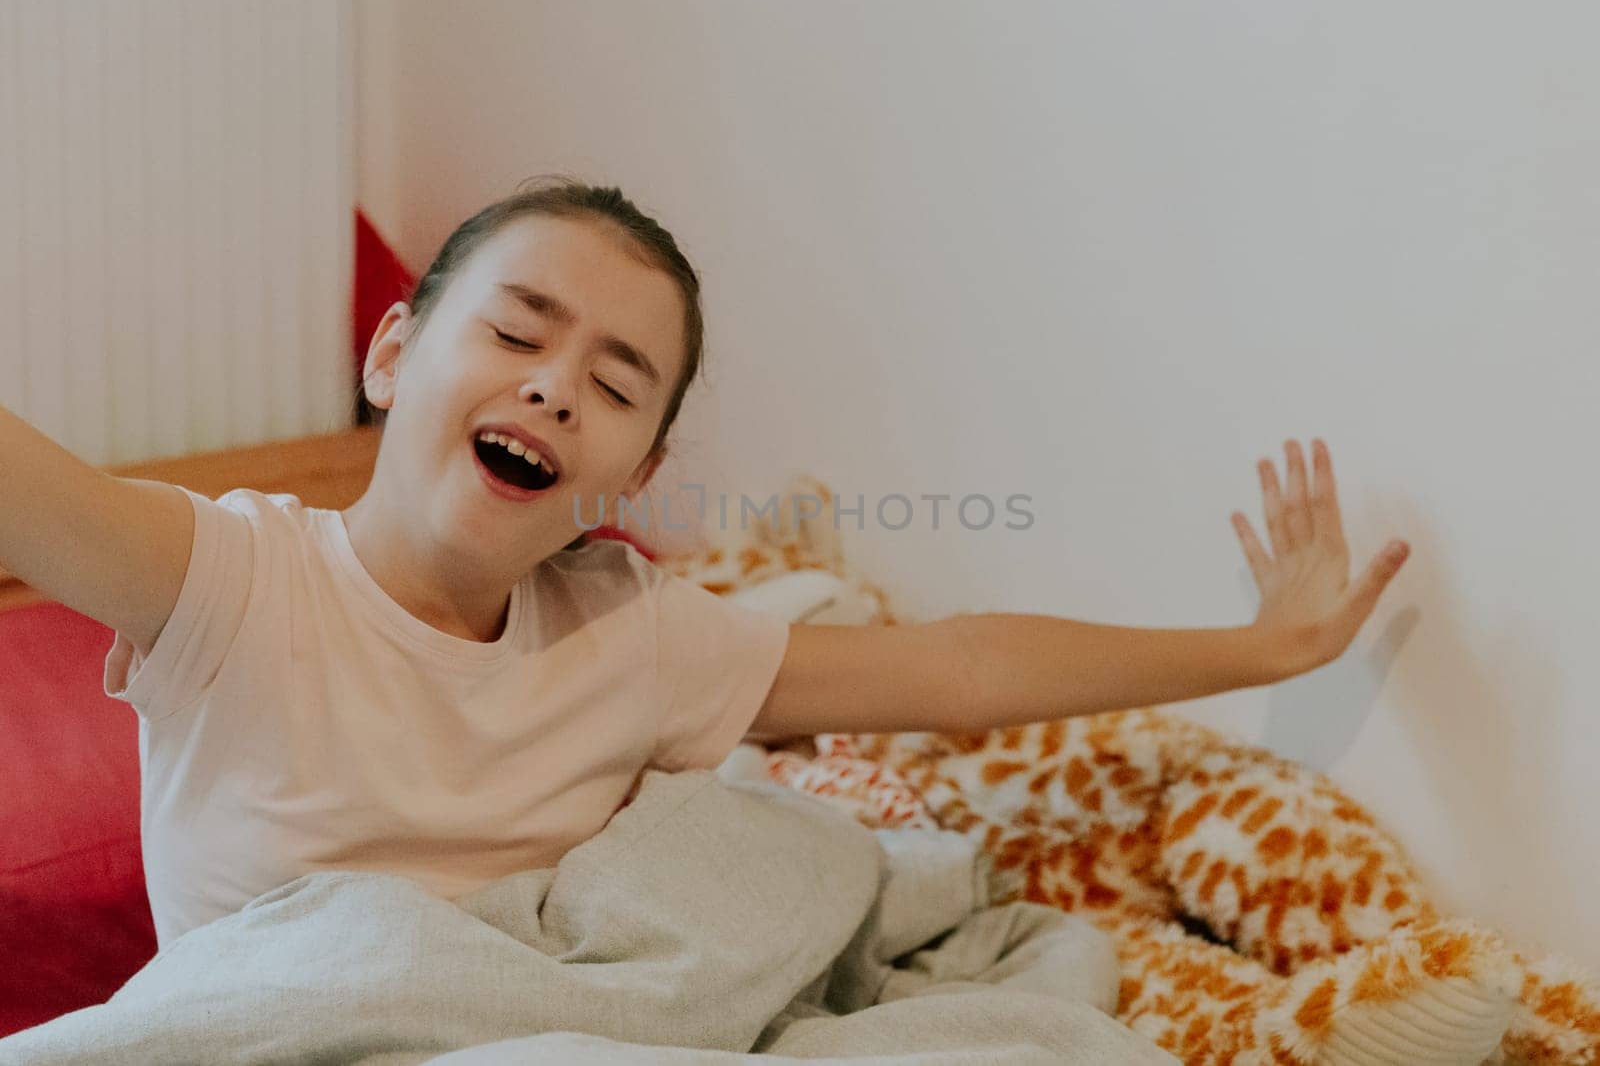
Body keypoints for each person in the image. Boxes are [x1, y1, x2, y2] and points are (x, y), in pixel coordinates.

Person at [0, 174, 1410, 952]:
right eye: (516, 332)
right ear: (391, 353)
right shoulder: (231, 577)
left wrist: (1261, 649)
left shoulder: (640, 632)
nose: (555, 388)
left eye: (615, 384)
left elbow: (959, 665)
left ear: (634, 479)